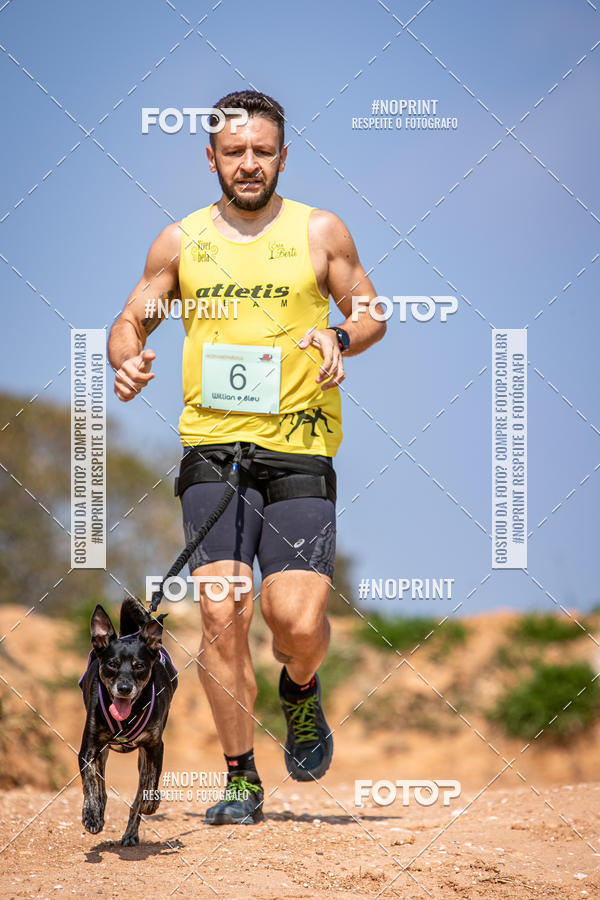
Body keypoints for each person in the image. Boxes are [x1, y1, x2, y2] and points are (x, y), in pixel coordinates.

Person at [108, 90, 385, 825]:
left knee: (293, 619)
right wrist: (127, 359)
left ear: (283, 156)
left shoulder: (318, 230)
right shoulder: (182, 241)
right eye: (235, 152)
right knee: (222, 614)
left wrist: (341, 336)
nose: (250, 163)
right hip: (213, 451)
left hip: (299, 445)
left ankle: (300, 688)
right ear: (212, 158)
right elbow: (131, 318)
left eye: (263, 151)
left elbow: (371, 308)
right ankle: (239, 778)